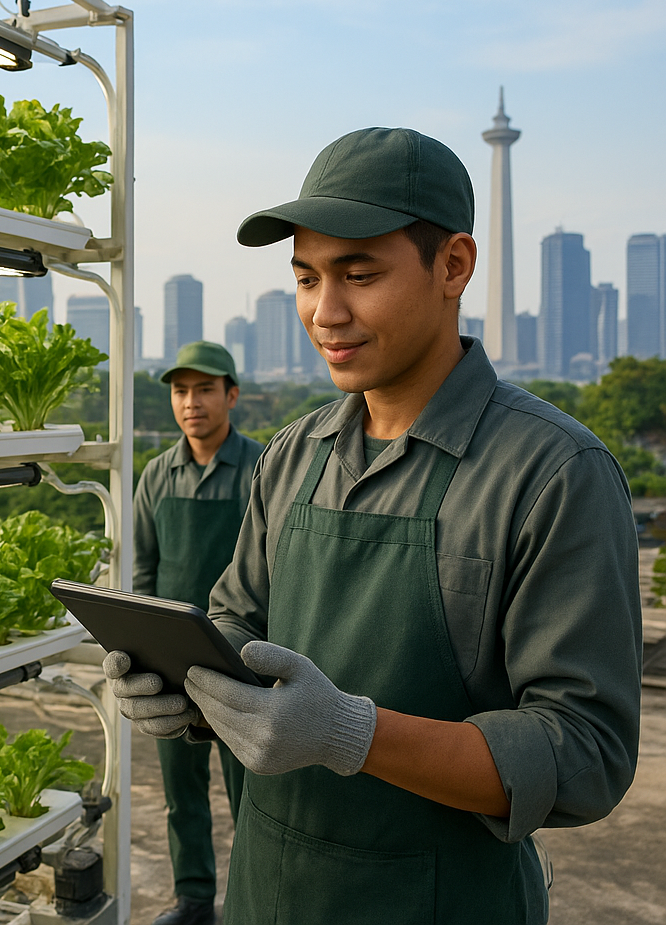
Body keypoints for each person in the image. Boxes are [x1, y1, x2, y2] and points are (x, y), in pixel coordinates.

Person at [107, 128, 642, 924]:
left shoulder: (552, 472)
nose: (326, 313)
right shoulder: (293, 455)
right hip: (268, 892)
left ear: (453, 266)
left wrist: (351, 734)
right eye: (306, 278)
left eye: (360, 275)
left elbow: (585, 751)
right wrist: (186, 687)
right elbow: (238, 621)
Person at [131, 340, 264, 925]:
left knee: (250, 795)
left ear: (231, 396)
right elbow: (144, 572)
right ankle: (193, 899)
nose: (192, 402)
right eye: (181, 391)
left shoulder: (262, 469)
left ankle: (252, 901)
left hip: (244, 660)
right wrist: (141, 650)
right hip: (171, 661)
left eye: (205, 389)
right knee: (180, 791)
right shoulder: (157, 475)